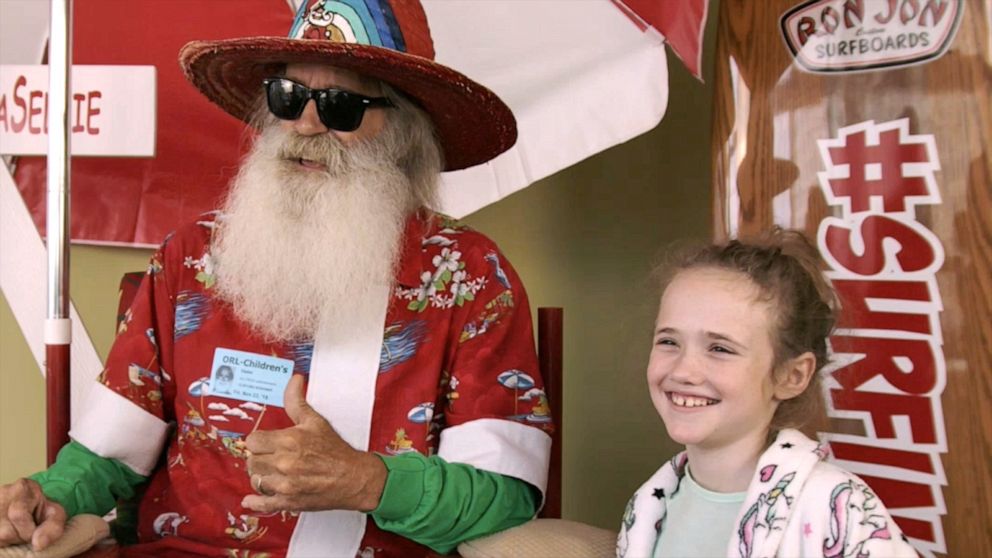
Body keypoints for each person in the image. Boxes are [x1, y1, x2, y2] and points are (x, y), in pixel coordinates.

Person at [0, 1, 553, 556]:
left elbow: (504, 495)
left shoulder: (469, 276)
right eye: (287, 97)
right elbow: (108, 453)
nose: (306, 125)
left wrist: (368, 482)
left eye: (341, 106)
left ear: (404, 132)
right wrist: (52, 498)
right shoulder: (192, 258)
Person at [616, 229, 918, 558]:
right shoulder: (648, 507)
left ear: (792, 375)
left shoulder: (839, 506)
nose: (683, 372)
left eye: (719, 348)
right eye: (669, 342)